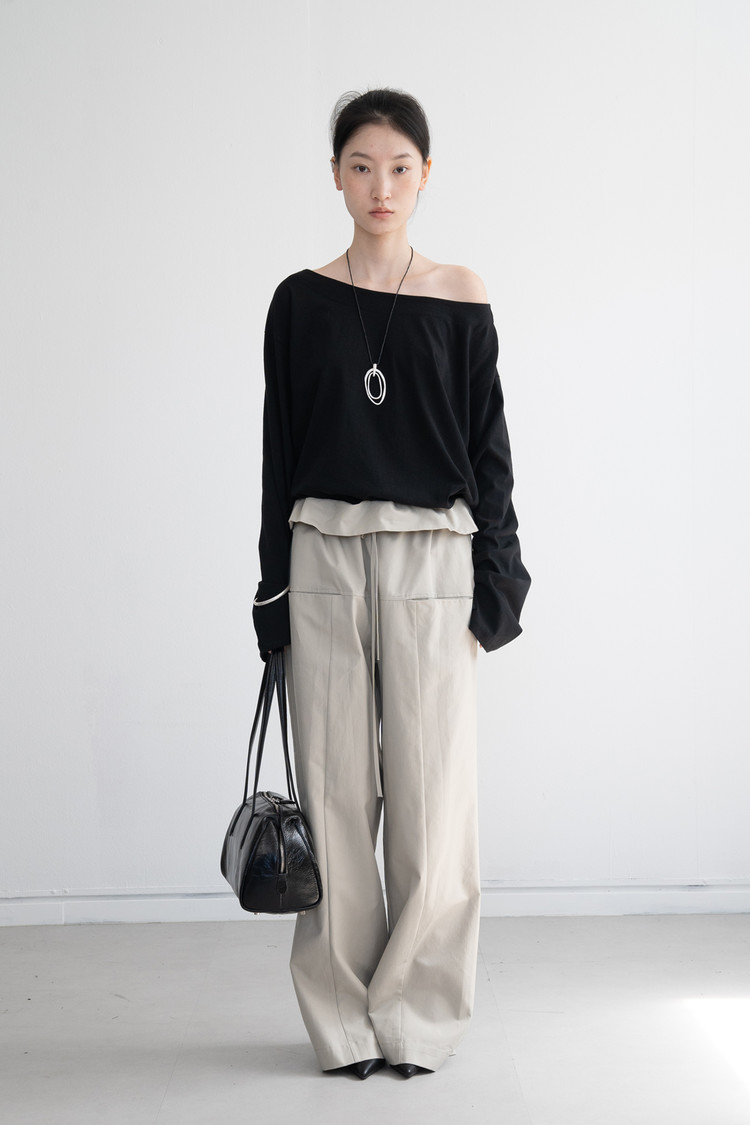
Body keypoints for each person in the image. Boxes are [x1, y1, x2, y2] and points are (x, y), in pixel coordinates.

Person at [252, 88, 530, 1080]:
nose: (381, 186)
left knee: (432, 799)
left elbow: (489, 450)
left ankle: (415, 1018)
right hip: (322, 555)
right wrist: (271, 590)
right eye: (361, 166)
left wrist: (500, 577)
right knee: (333, 798)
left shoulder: (460, 293)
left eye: (399, 167)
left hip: (431, 561)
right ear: (335, 175)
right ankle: (343, 1024)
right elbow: (278, 453)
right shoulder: (299, 301)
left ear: (425, 176)